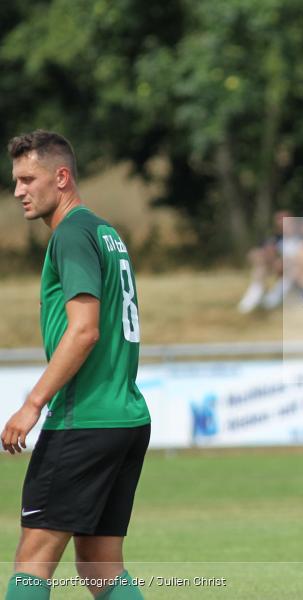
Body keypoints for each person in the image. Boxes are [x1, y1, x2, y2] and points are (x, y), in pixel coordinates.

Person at [2, 131, 150, 600]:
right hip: (126, 418)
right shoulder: (105, 233)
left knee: (31, 562)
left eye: (28, 179)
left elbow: (84, 329)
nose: (19, 190)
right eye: (16, 181)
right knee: (101, 569)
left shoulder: (71, 234)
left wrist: (32, 404)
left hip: (82, 420)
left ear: (61, 177)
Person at [237, 209, 302, 312]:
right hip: (279, 268)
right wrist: (268, 258)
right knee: (260, 266)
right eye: (279, 220)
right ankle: (256, 292)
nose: (283, 222)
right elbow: (256, 253)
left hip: (296, 271)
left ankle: (272, 299)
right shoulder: (275, 239)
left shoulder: (302, 238)